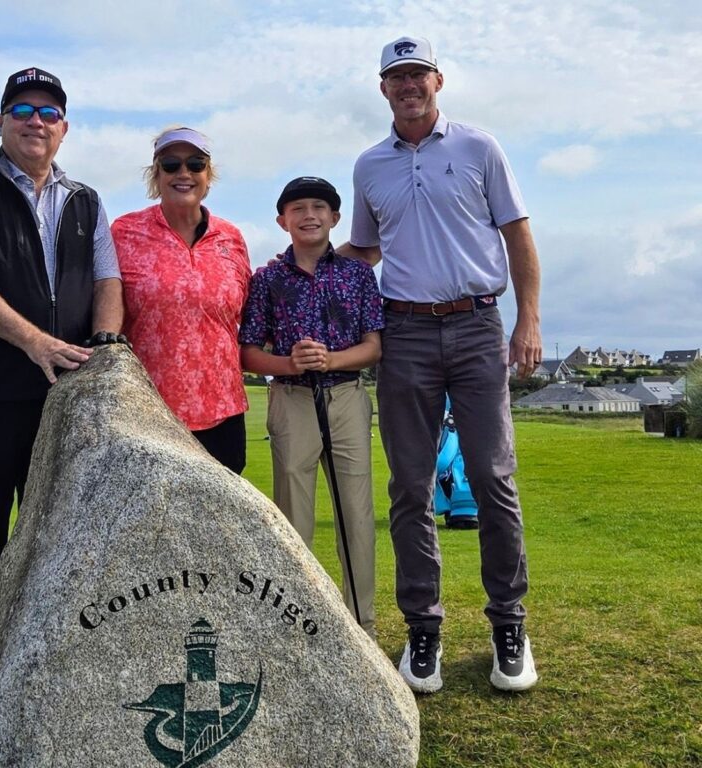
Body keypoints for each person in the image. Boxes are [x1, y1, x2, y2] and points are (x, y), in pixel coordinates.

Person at [341, 36, 543, 693]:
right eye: (395, 77)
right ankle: (422, 629)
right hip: (405, 333)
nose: (407, 85)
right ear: (382, 89)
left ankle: (508, 625)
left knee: (491, 477)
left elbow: (517, 234)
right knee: (410, 486)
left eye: (417, 74)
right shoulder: (370, 165)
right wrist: (304, 263)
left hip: (479, 325)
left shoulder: (479, 148)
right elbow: (366, 251)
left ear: (438, 80)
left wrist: (528, 321)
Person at [0, 67, 123, 677]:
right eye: (22, 110)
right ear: (1, 122)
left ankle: (47, 678)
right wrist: (36, 341)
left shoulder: (85, 200)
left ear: (63, 128)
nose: (35, 121)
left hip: (63, 398)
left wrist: (108, 343)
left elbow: (106, 280)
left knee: (62, 543)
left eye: (48, 112)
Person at [240, 177, 383, 638]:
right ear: (283, 221)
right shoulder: (266, 279)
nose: (309, 215)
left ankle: (362, 627)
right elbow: (248, 352)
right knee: (292, 516)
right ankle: (294, 627)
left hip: (345, 397)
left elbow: (374, 346)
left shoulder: (357, 274)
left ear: (335, 218)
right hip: (292, 399)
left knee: (355, 515)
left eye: (319, 207)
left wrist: (331, 359)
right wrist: (288, 362)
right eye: (297, 208)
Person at [111, 127, 252, 473]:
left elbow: (245, 315)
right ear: (156, 175)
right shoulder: (123, 233)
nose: (184, 173)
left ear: (209, 174)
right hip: (146, 412)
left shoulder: (231, 237)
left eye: (196, 163)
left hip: (223, 411)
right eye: (171, 164)